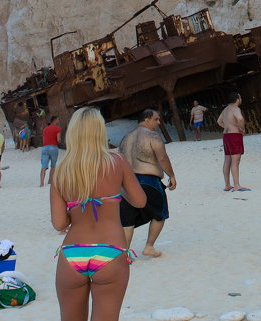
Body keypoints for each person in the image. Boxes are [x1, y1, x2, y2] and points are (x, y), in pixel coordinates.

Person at [50, 107, 146, 321]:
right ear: (99, 131)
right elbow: (140, 201)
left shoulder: (61, 170)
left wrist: (77, 206)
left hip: (72, 252)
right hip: (110, 250)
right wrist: (114, 192)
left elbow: (59, 223)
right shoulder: (117, 162)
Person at [118, 109, 177, 258]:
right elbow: (162, 157)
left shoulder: (126, 138)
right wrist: (172, 175)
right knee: (160, 214)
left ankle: (124, 253)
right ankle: (149, 246)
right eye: (156, 119)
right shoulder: (152, 135)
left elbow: (120, 161)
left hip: (127, 183)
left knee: (127, 219)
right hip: (149, 181)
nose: (158, 123)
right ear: (146, 119)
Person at [218, 93, 248, 191]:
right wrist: (241, 128)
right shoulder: (235, 109)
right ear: (237, 99)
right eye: (240, 97)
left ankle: (227, 185)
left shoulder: (225, 109)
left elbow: (219, 121)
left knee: (227, 160)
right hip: (234, 136)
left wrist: (227, 126)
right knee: (235, 160)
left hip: (226, 136)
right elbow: (240, 118)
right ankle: (237, 185)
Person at [40, 116, 63, 187]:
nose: (58, 121)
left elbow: (43, 140)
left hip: (45, 148)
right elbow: (58, 139)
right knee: (53, 165)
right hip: (53, 147)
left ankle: (41, 183)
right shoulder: (58, 129)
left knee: (43, 166)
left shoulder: (45, 129)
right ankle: (50, 181)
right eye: (58, 119)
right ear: (55, 120)